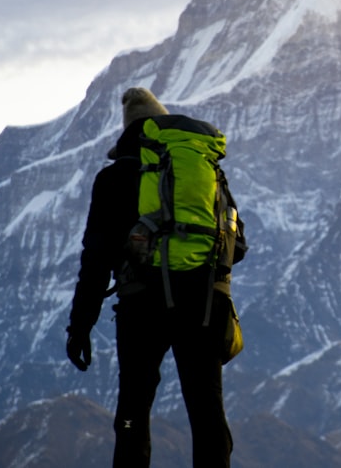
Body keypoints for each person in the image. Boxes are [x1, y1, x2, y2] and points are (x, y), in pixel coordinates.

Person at [66, 87, 234, 468]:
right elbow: (235, 245)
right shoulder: (206, 169)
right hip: (205, 303)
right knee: (207, 413)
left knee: (133, 411)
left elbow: (96, 259)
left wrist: (80, 325)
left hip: (142, 306)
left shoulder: (113, 179)